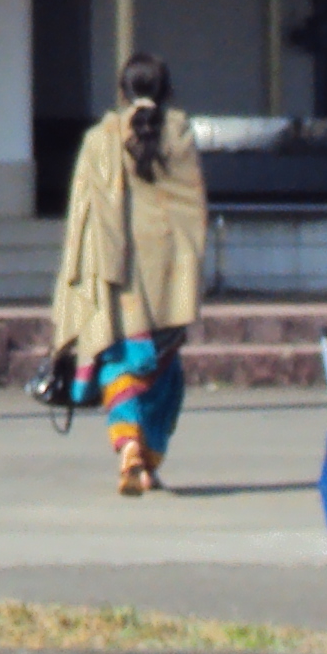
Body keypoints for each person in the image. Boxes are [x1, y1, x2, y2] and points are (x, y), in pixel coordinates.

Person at [51, 54, 208, 497]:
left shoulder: (100, 139)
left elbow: (82, 215)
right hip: (170, 282)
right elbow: (194, 211)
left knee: (121, 365)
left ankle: (129, 448)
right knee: (164, 376)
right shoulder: (180, 135)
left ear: (122, 92)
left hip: (116, 279)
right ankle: (148, 458)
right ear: (168, 91)